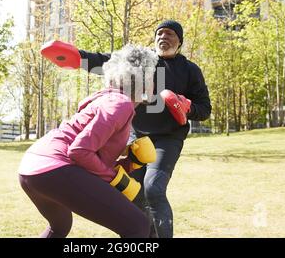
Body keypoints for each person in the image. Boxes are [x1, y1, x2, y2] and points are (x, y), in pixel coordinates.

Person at [44, 20, 212, 238]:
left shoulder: (190, 70)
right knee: (132, 192)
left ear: (180, 41)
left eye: (169, 34)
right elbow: (106, 61)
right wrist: (77, 57)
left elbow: (205, 109)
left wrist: (187, 107)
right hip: (135, 136)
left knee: (154, 188)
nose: (163, 37)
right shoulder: (145, 61)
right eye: (159, 33)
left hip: (167, 139)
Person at [18, 44, 159, 238]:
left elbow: (90, 161)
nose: (155, 82)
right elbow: (79, 151)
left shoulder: (111, 100)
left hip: (31, 167)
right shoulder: (121, 104)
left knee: (60, 226)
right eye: (153, 76)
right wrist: (115, 179)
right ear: (141, 79)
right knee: (137, 227)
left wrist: (131, 163)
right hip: (54, 167)